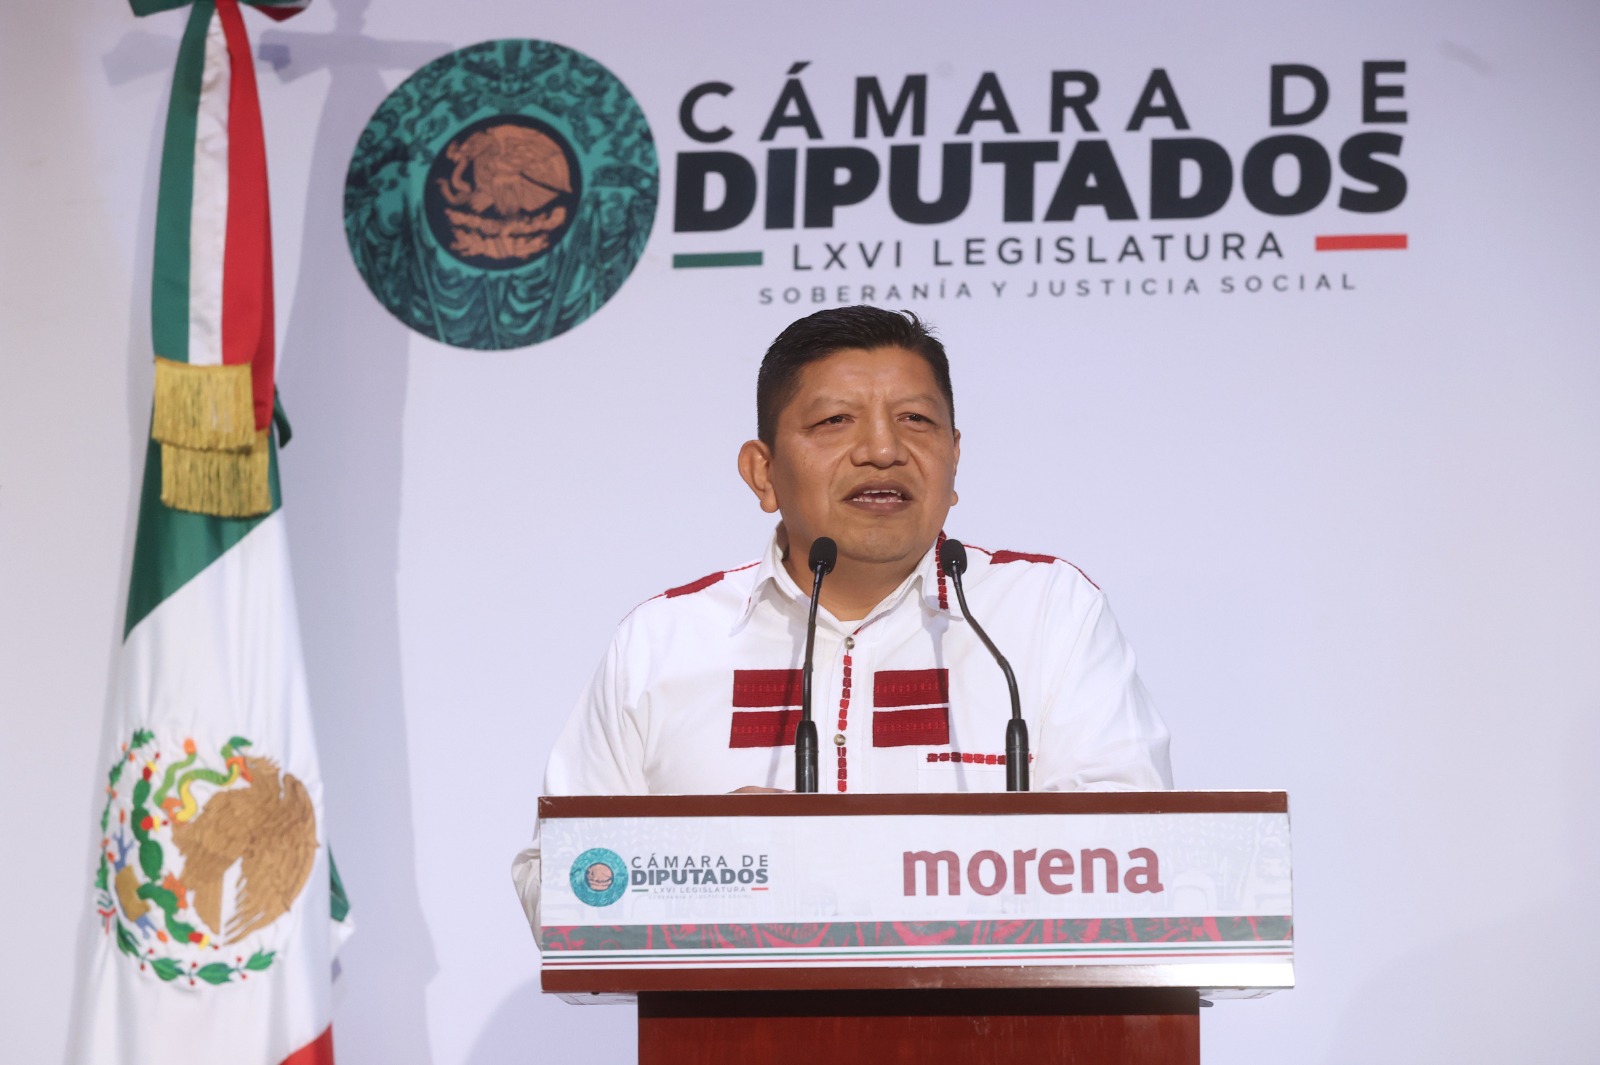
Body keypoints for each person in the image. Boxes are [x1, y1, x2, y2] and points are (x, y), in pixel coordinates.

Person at [512, 305, 1171, 927]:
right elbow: (558, 886)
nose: (882, 449)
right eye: (835, 421)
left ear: (954, 456)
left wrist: (857, 862)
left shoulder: (1044, 613)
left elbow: (1137, 854)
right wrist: (696, 860)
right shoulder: (665, 641)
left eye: (915, 419)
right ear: (763, 472)